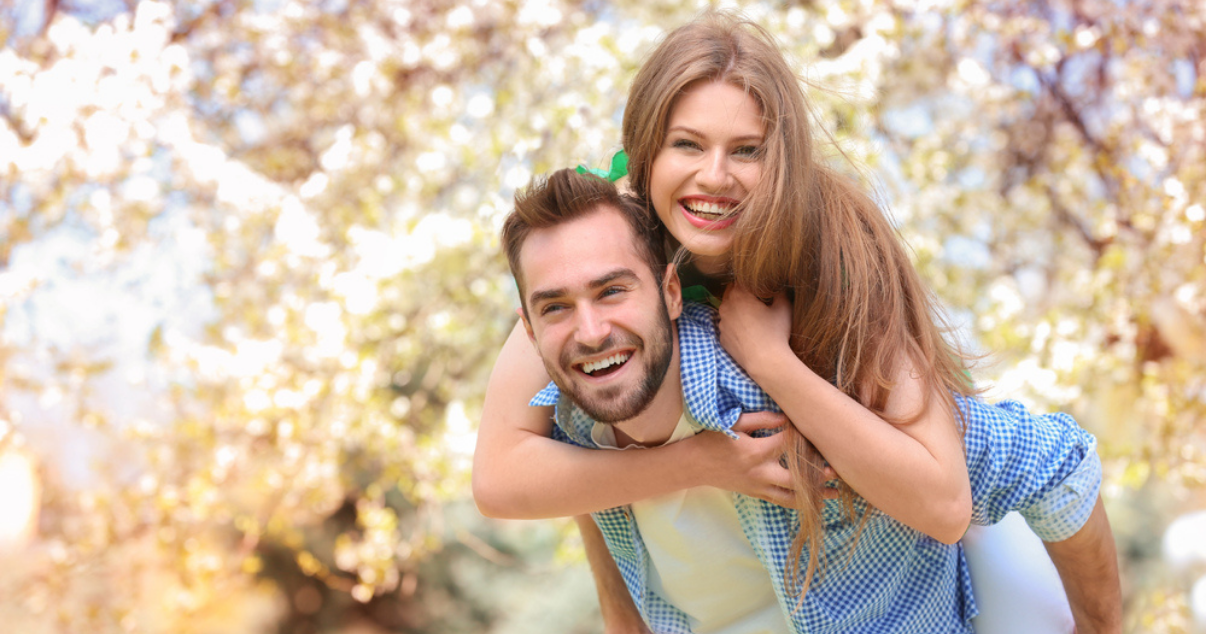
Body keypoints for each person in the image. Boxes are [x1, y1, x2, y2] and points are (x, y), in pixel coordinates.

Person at [473, 10, 1122, 633]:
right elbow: (524, 460)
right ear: (644, 153)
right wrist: (699, 464)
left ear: (779, 160)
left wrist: (770, 360)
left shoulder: (827, 247)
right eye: (687, 145)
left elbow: (948, 499)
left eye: (747, 150)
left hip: (935, 539)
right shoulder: (599, 252)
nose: (714, 177)